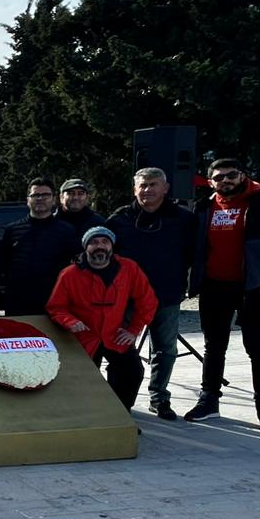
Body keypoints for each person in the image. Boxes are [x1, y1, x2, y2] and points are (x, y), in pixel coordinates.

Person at [184, 158, 260, 432]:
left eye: (231, 175)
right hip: (214, 286)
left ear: (242, 175)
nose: (225, 181)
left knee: (258, 349)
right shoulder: (204, 207)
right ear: (210, 181)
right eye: (219, 177)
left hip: (254, 288)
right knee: (214, 347)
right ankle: (209, 401)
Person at [107, 167, 197, 420]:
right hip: (126, 299)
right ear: (134, 189)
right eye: (143, 185)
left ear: (165, 188)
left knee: (165, 349)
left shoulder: (183, 219)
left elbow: (192, 254)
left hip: (166, 294)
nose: (148, 190)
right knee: (121, 349)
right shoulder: (119, 219)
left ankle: (159, 398)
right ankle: (120, 400)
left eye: (154, 184)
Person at [47, 226, 158, 410]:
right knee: (80, 377)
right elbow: (55, 307)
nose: (100, 246)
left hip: (114, 334)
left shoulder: (128, 268)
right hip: (83, 336)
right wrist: (70, 322)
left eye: (104, 242)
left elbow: (148, 301)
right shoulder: (70, 274)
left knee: (132, 371)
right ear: (85, 247)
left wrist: (133, 330)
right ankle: (88, 416)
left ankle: (121, 414)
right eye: (94, 242)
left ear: (111, 246)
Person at [0, 178, 79, 316]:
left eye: (45, 195)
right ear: (28, 199)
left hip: (54, 302)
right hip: (17, 302)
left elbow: (73, 267)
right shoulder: (12, 230)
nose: (40, 198)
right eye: (36, 195)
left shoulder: (67, 231)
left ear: (54, 199)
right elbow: (3, 265)